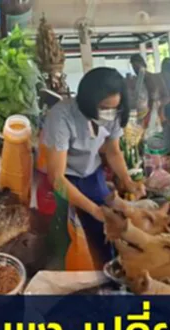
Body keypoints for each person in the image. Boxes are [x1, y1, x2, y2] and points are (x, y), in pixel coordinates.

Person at [44, 67, 145, 267]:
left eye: (114, 108)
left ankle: (108, 270)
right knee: (71, 237)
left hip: (92, 174)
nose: (109, 113)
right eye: (104, 107)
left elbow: (113, 151)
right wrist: (94, 210)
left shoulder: (115, 114)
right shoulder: (61, 117)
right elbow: (56, 178)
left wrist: (128, 181)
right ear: (88, 102)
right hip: (66, 179)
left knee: (105, 233)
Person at [129, 54, 168, 125]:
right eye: (134, 68)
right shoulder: (135, 82)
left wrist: (158, 102)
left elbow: (167, 97)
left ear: (143, 65)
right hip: (142, 119)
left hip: (157, 117)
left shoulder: (156, 78)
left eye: (137, 67)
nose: (136, 70)